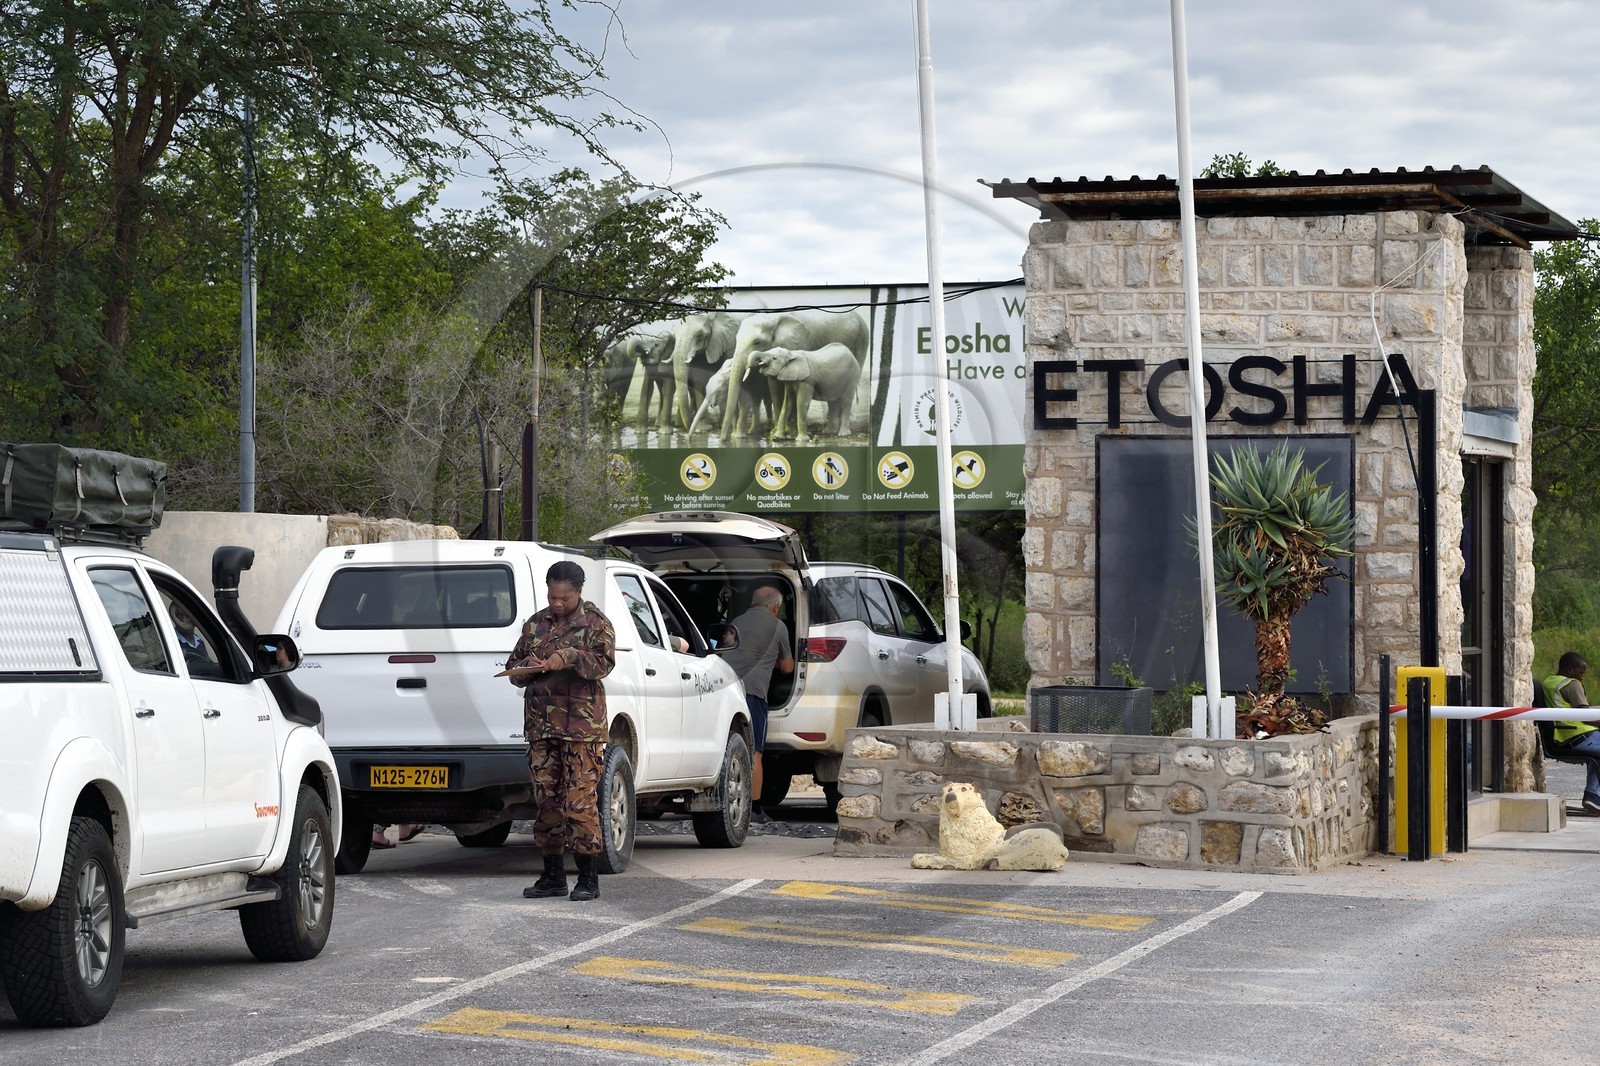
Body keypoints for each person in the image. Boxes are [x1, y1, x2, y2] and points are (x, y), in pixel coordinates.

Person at [506, 559, 617, 901]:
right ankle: (552, 876)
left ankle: (587, 877)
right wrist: (529, 667)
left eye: (563, 599)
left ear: (578, 593)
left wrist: (569, 656)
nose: (556, 604)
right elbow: (513, 667)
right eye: (552, 597)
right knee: (547, 802)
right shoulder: (535, 624)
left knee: (579, 803)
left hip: (581, 730)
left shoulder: (595, 623)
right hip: (542, 728)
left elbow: (604, 663)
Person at [720, 584, 795, 823]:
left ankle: (725, 803)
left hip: (726, 692)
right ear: (775, 607)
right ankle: (754, 808)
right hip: (753, 694)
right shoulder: (779, 626)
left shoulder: (735, 622)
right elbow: (787, 667)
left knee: (728, 747)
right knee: (755, 753)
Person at [1544, 651, 1600, 813]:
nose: (1582, 677)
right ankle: (1592, 795)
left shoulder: (1550, 682)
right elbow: (1585, 715)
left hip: (1565, 735)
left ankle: (1593, 797)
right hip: (1580, 735)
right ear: (1569, 670)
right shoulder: (1572, 684)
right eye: (1580, 673)